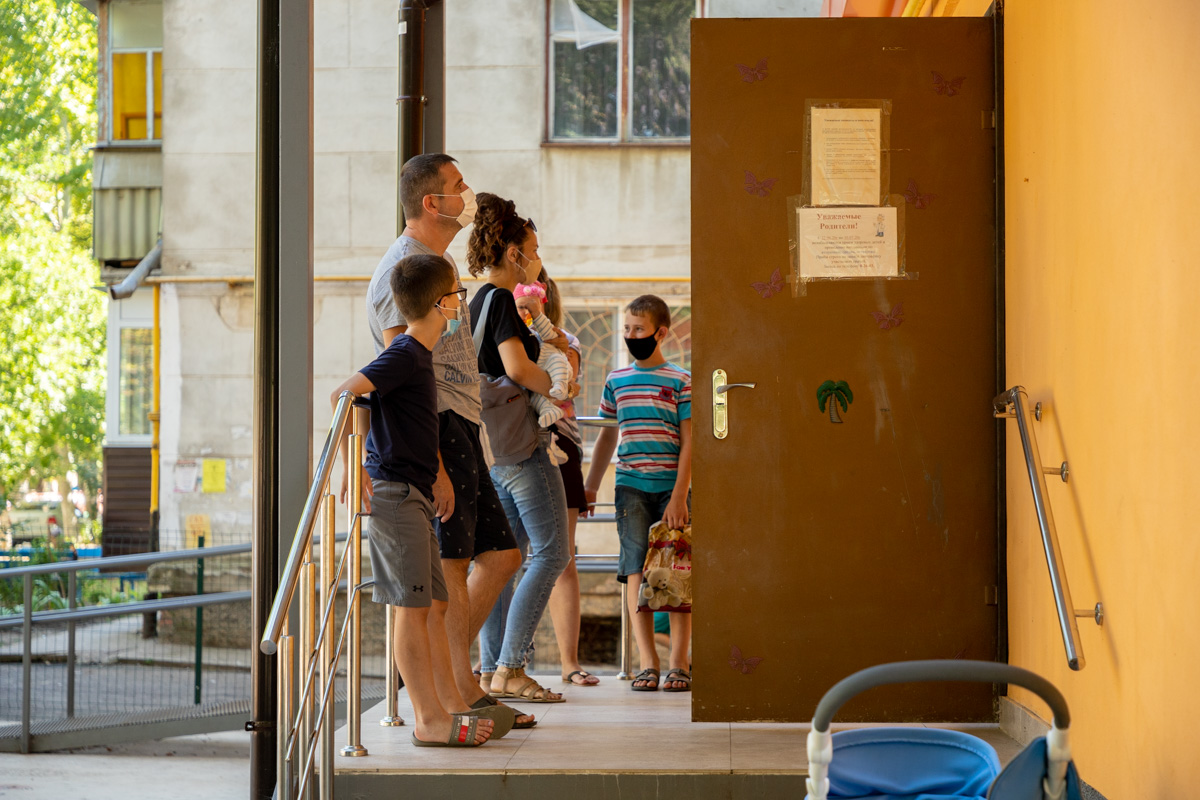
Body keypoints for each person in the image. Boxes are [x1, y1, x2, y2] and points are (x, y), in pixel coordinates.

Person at [365, 154, 533, 729]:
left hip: (463, 422)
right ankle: (455, 695)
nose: (470, 194)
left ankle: (457, 682)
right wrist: (434, 461)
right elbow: (401, 368)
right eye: (459, 186)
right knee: (452, 567)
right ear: (432, 202)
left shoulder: (438, 263)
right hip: (439, 429)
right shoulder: (402, 270)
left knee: (501, 554)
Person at [332, 253, 495, 747]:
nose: (461, 304)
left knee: (434, 604)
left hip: (416, 494)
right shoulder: (403, 352)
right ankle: (429, 720)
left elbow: (378, 405)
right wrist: (353, 465)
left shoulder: (417, 355)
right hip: (396, 494)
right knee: (411, 607)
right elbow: (346, 394)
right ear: (444, 303)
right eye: (459, 295)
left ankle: (444, 709)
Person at [468, 193, 570, 704]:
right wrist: (558, 389)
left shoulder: (475, 302)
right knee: (552, 552)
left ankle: (490, 670)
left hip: (494, 449)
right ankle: (511, 667)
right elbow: (517, 368)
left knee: (502, 559)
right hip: (523, 446)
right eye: (532, 248)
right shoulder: (502, 300)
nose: (536, 257)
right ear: (513, 253)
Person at [583, 295, 693, 692]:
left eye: (639, 329)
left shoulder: (681, 380)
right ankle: (648, 662)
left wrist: (679, 495)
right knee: (634, 569)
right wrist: (591, 484)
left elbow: (690, 441)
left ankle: (679, 663)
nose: (631, 336)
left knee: (677, 572)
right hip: (630, 487)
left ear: (660, 333)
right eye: (627, 329)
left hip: (671, 490)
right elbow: (606, 437)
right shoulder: (616, 380)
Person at [539, 271, 601, 687]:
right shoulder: (496, 338)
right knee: (503, 559)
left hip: (559, 444)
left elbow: (564, 387)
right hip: (506, 446)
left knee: (562, 558)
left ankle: (568, 662)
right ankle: (495, 663)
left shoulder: (567, 341)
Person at [512, 281, 572, 428]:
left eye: (533, 308)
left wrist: (537, 316)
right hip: (535, 380)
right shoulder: (513, 332)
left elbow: (549, 334)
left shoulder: (544, 328)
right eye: (521, 307)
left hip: (552, 366)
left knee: (557, 360)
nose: (527, 312)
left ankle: (559, 385)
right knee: (535, 397)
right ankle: (548, 411)